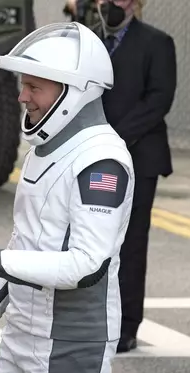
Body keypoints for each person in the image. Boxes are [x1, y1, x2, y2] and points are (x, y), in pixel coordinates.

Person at [0, 21, 135, 373]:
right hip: (23, 333)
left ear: (74, 93)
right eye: (23, 84)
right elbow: (24, 244)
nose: (22, 97)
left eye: (34, 87)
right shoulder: (44, 150)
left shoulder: (101, 161)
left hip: (71, 342)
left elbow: (85, 266)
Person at [64, 0, 177, 353]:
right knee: (90, 238)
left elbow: (159, 100)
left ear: (135, 3)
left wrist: (112, 138)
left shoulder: (158, 43)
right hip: (94, 157)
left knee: (131, 243)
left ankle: (127, 325)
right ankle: (93, 319)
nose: (113, 3)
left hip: (139, 158)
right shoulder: (89, 42)